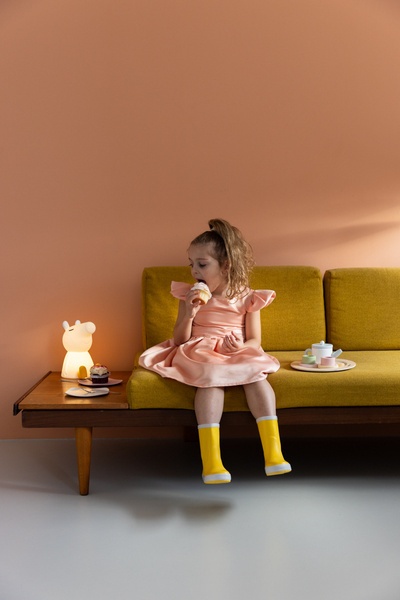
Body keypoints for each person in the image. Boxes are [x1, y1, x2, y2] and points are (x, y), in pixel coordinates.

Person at [139, 218, 291, 484]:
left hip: (234, 349)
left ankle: (273, 454)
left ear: (226, 265)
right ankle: (211, 463)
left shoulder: (247, 296)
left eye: (202, 264)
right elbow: (179, 339)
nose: (194, 271)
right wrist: (189, 313)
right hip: (201, 348)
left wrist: (242, 347)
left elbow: (255, 340)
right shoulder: (188, 295)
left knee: (257, 377)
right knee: (210, 380)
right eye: (191, 264)